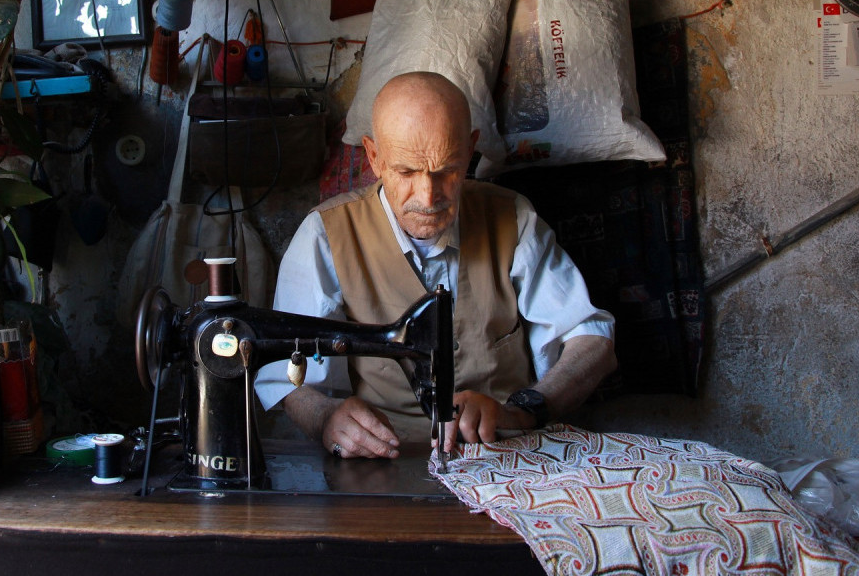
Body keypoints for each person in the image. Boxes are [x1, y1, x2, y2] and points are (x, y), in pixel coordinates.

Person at [253, 72, 616, 458]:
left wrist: (524, 409)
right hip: (389, 462)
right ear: (374, 158)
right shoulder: (326, 236)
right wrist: (326, 417)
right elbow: (285, 376)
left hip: (510, 450)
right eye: (407, 172)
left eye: (446, 170)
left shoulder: (512, 218)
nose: (428, 196)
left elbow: (590, 337)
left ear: (471, 148)